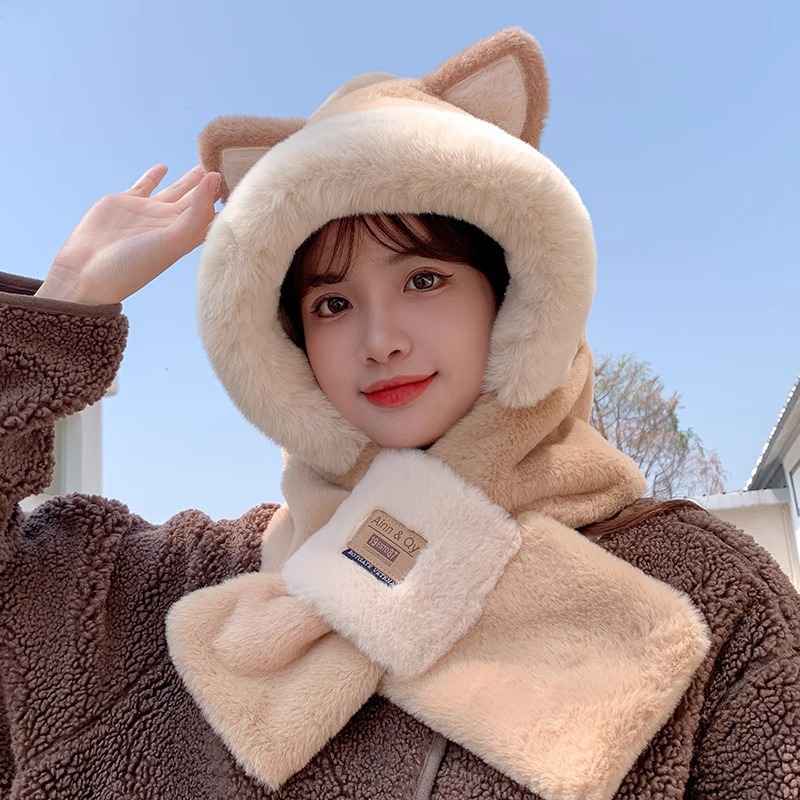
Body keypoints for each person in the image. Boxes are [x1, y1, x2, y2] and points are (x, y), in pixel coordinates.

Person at [1, 27, 798, 800]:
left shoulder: (703, 587)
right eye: (332, 303)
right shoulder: (191, 584)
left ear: (514, 298)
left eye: (423, 280)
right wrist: (62, 305)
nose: (379, 340)